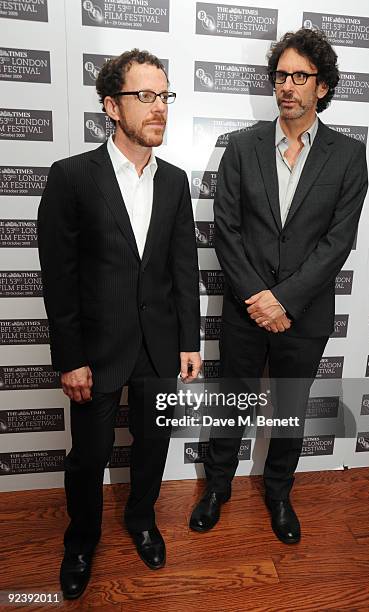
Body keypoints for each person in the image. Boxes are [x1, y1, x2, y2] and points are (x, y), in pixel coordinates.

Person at [189, 28, 368, 544]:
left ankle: (279, 493)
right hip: (247, 308)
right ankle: (217, 488)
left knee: (290, 407)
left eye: (300, 76)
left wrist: (285, 300)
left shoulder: (348, 156)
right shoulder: (241, 147)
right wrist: (259, 301)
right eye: (281, 75)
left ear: (323, 88)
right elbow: (227, 229)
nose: (287, 86)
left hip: (304, 313)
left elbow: (337, 242)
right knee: (233, 401)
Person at [38, 48, 201, 599]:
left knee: (153, 445)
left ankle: (141, 519)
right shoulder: (71, 178)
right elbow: (58, 281)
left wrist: (189, 342)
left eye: (165, 96)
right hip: (96, 351)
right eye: (145, 96)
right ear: (111, 105)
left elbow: (184, 268)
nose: (159, 108)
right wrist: (70, 359)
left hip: (158, 347)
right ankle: (81, 539)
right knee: (89, 455)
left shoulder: (176, 183)